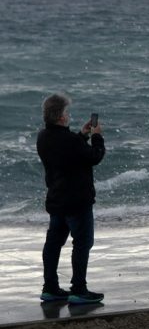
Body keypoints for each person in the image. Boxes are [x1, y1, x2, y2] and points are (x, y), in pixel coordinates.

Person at [36, 93, 106, 304]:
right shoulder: (70, 142)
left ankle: (50, 288)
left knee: (53, 244)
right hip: (77, 202)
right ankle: (79, 289)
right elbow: (95, 156)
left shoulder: (43, 136)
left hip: (56, 200)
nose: (68, 115)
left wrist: (82, 135)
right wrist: (96, 136)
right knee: (83, 243)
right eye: (66, 112)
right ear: (61, 118)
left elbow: (68, 149)